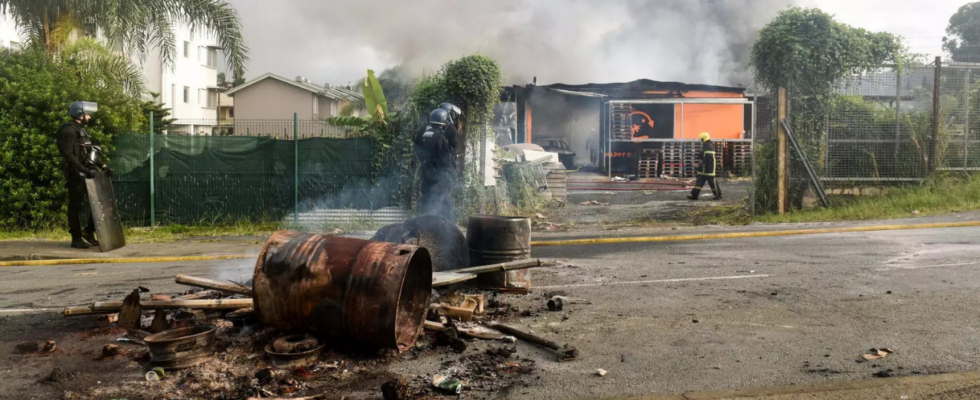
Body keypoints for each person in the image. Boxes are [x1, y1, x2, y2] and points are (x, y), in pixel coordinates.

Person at [57, 101, 112, 249]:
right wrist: (83, 169)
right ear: (79, 114)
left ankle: (88, 231)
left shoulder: (81, 130)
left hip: (88, 172)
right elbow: (68, 154)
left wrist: (103, 166)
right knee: (75, 206)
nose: (89, 117)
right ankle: (76, 238)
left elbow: (89, 152)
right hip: (76, 174)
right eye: (87, 114)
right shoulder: (68, 131)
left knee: (101, 203)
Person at [414, 108, 459, 222]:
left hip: (426, 173)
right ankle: (432, 227)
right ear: (443, 123)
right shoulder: (439, 137)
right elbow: (445, 159)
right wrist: (451, 173)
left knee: (435, 201)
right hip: (439, 175)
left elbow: (418, 150)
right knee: (437, 202)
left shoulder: (424, 134)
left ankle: (444, 225)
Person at [687, 132, 722, 200]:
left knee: (712, 183)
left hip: (709, 169)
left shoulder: (708, 146)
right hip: (703, 169)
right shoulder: (706, 145)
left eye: (701, 139)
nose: (701, 140)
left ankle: (718, 195)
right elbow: (703, 156)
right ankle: (694, 195)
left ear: (704, 138)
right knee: (699, 182)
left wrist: (698, 165)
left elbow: (708, 159)